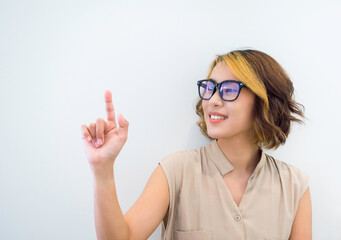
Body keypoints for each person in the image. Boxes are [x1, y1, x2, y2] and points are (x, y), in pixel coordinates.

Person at [81, 49, 312, 240]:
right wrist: (102, 169)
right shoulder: (175, 171)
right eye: (209, 88)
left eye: (229, 89)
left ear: (264, 101)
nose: (212, 100)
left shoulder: (295, 186)